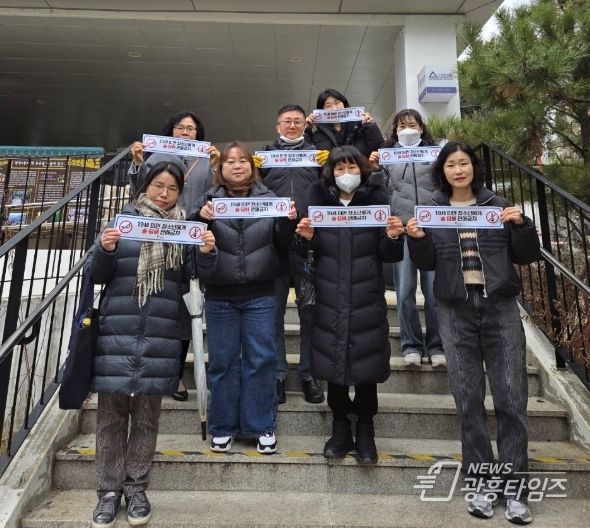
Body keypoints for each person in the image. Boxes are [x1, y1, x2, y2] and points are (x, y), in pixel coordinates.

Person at [405, 142, 540, 524]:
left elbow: (526, 254)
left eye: (463, 163)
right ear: (442, 171)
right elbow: (426, 262)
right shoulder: (433, 210)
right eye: (451, 164)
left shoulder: (498, 205)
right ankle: (481, 484)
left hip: (500, 306)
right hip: (454, 309)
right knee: (468, 401)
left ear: (474, 167)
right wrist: (417, 238)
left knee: (511, 399)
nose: (458, 170)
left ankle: (515, 490)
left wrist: (521, 225)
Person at [89, 160, 216, 528]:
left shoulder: (184, 229)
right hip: (117, 331)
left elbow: (198, 275)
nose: (164, 194)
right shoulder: (121, 223)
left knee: (147, 420)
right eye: (158, 185)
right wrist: (105, 249)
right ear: (145, 187)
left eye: (172, 189)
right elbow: (97, 275)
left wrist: (207, 252)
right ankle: (108, 492)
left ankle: (137, 489)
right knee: (109, 420)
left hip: (162, 334)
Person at [296, 146, 404, 464]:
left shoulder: (377, 201)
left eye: (352, 167)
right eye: (340, 167)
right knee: (333, 363)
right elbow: (306, 251)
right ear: (330, 172)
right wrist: (305, 237)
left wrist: (393, 237)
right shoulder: (319, 203)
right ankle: (340, 427)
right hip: (328, 296)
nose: (346, 173)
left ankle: (366, 429)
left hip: (366, 295)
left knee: (367, 364)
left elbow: (389, 255)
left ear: (362, 170)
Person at [190, 141, 297, 455]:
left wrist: (288, 221)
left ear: (252, 166)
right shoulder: (207, 201)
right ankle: (222, 427)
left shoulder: (270, 199)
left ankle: (261, 425)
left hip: (260, 294)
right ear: (220, 168)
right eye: (230, 161)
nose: (237, 166)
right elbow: (193, 242)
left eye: (242, 161)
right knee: (222, 362)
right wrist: (203, 219)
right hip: (219, 295)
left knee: (261, 360)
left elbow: (283, 244)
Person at [128, 110, 220, 401]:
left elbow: (216, 195)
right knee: (153, 308)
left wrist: (216, 168)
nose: (185, 133)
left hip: (189, 242)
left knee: (183, 311)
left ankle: (176, 374)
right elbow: (138, 192)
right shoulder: (156, 156)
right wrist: (138, 163)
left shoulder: (206, 160)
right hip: (154, 240)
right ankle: (145, 370)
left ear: (198, 134)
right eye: (180, 128)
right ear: (170, 131)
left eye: (191, 129)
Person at [255, 103, 327, 405]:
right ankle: (278, 374)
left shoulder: (318, 155)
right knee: (273, 313)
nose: (293, 125)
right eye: (287, 121)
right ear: (278, 126)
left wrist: (326, 164)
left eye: (298, 121)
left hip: (308, 242)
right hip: (274, 243)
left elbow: (331, 189)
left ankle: (309, 374)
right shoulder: (264, 156)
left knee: (309, 309)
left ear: (305, 125)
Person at [369, 109, 445, 368]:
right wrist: (375, 169)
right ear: (395, 130)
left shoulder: (435, 155)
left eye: (412, 124)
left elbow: (445, 187)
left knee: (434, 293)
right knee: (404, 292)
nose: (407, 129)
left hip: (430, 231)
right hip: (401, 230)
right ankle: (410, 345)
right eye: (402, 126)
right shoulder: (387, 156)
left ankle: (437, 345)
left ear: (421, 128)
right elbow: (379, 191)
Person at [305, 88, 384, 157]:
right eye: (328, 106)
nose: (334, 109)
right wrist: (307, 130)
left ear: (344, 104)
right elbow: (307, 159)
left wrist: (369, 127)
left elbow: (379, 151)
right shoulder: (317, 136)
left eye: (337, 103)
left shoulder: (361, 128)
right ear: (321, 111)